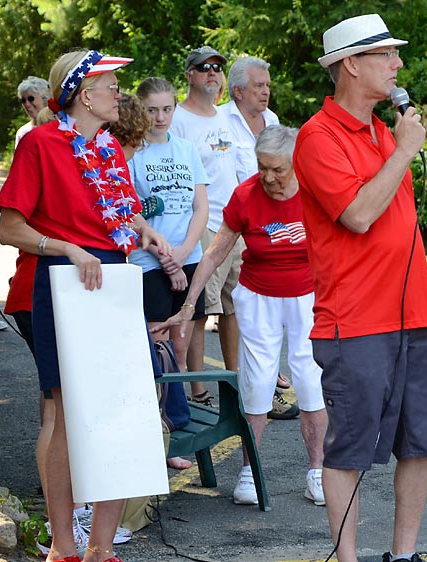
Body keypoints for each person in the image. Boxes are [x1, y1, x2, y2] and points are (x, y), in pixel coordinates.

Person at [293, 14, 427, 562]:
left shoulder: (381, 134)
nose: (398, 65)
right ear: (351, 65)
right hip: (355, 321)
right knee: (352, 449)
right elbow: (359, 215)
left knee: (424, 438)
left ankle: (401, 559)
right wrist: (407, 149)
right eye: (387, 55)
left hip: (411, 313)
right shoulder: (318, 137)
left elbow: (400, 225)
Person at [0, 49, 170, 562]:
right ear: (82, 93)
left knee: (120, 412)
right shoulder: (42, 142)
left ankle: (102, 551)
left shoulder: (110, 145)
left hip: (113, 283)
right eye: (111, 84)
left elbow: (116, 211)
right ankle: (60, 551)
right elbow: (9, 229)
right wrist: (66, 247)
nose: (120, 92)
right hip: (63, 284)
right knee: (68, 412)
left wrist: (143, 229)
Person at [153, 125, 327, 505]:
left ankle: (317, 472)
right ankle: (249, 472)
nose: (268, 177)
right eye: (263, 167)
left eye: (278, 170)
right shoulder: (247, 194)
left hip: (307, 296)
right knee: (257, 383)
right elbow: (215, 252)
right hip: (259, 295)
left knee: (311, 381)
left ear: (296, 164)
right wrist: (188, 305)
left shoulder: (317, 190)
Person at [130, 77, 209, 470]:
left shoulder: (186, 149)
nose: (160, 117)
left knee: (180, 350)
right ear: (140, 109)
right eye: (152, 110)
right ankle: (162, 434)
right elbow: (130, 215)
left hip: (188, 256)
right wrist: (165, 258)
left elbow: (201, 208)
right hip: (150, 263)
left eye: (167, 109)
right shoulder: (132, 154)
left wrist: (181, 254)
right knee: (157, 352)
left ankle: (175, 430)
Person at [220, 56, 295, 418]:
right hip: (230, 221)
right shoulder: (218, 121)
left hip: (271, 225)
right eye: (258, 86)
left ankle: (265, 387)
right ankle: (241, 384)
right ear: (237, 91)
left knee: (264, 310)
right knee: (226, 308)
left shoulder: (274, 122)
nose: (265, 92)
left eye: (267, 85)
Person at [169, 46, 242, 406]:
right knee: (199, 310)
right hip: (206, 225)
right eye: (204, 68)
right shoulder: (179, 118)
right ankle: (197, 389)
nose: (212, 73)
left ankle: (236, 382)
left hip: (236, 223)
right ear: (189, 74)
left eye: (217, 68)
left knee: (234, 308)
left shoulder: (224, 116)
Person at [15, 76, 50, 148]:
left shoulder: (61, 127)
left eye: (31, 99)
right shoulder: (22, 133)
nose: (27, 104)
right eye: (23, 100)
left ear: (44, 98)